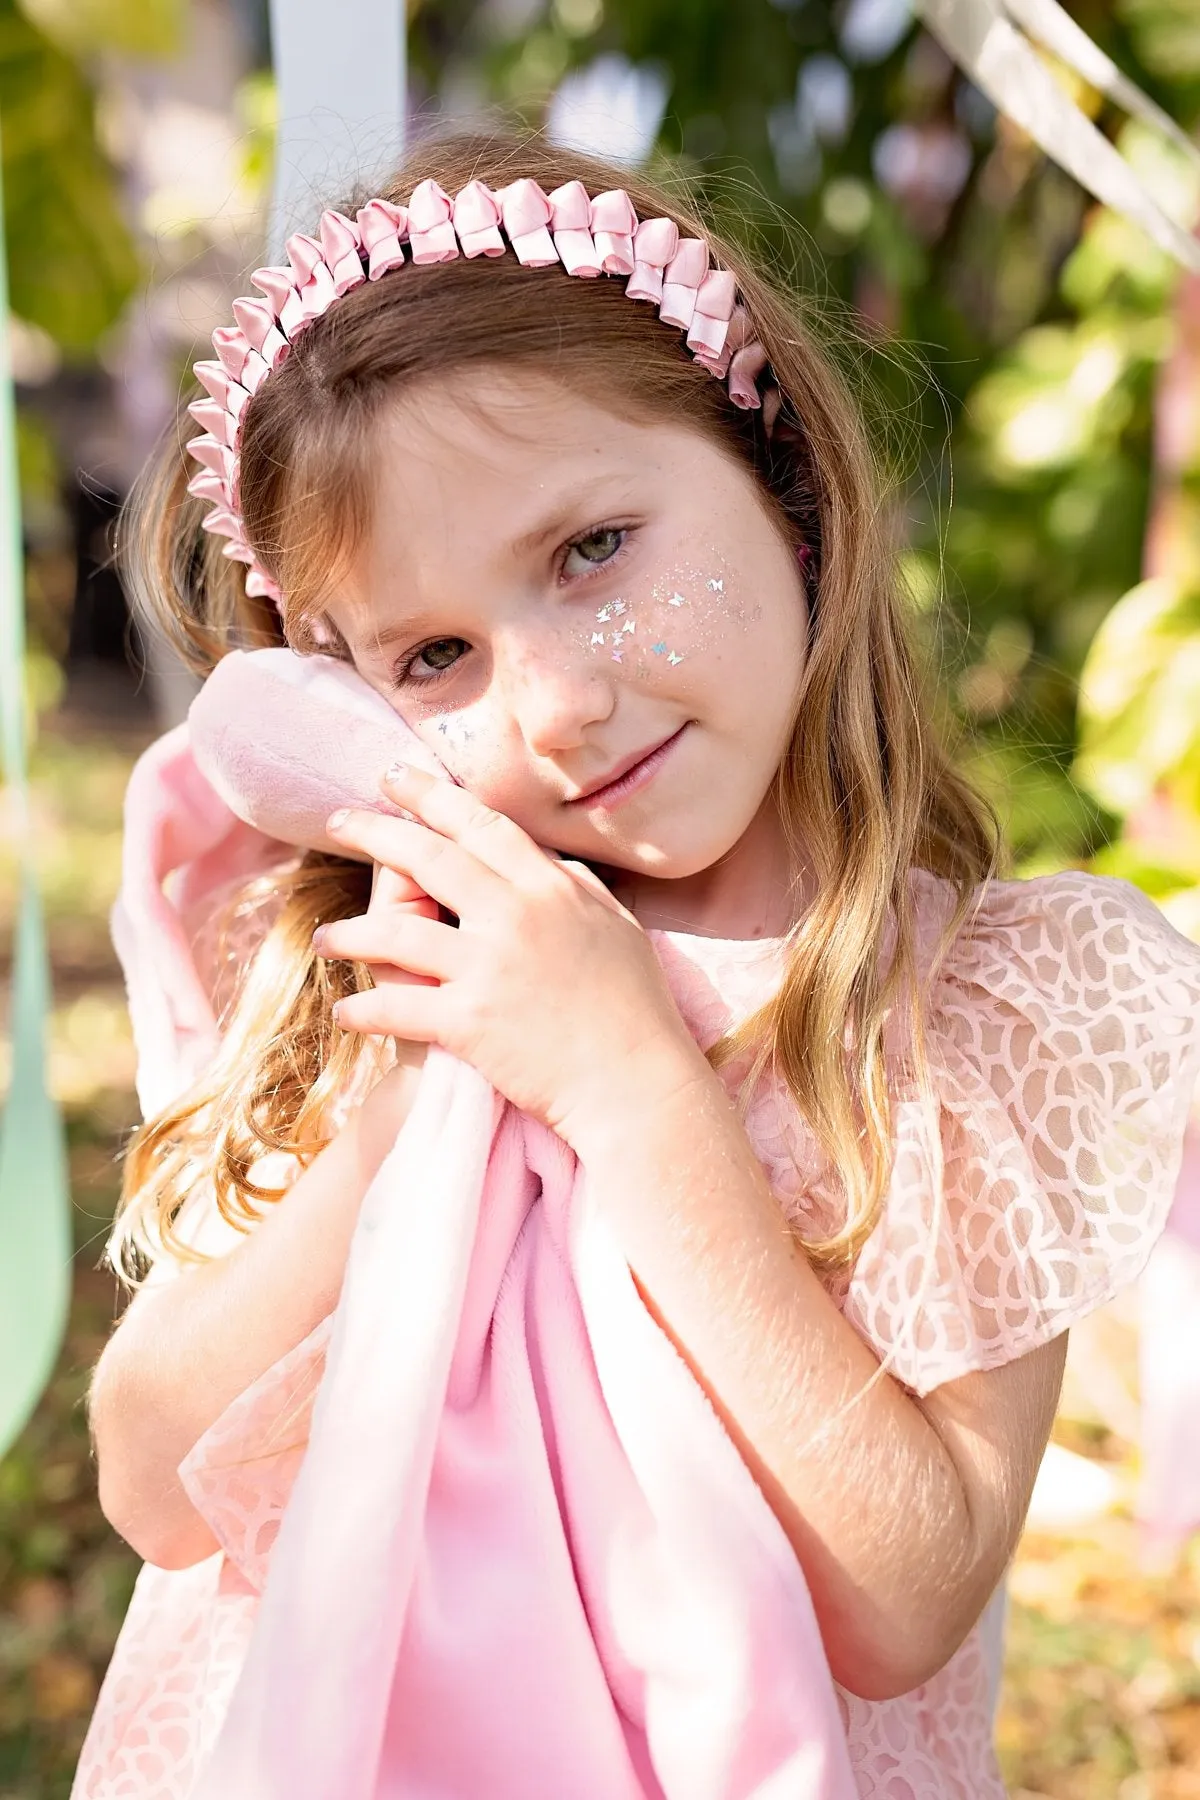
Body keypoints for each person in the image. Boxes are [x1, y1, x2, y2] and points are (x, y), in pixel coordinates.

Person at [75, 131, 1200, 1799]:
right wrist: (409, 1109)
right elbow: (154, 1479)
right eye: (435, 655)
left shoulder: (975, 1008)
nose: (554, 710)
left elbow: (904, 1597)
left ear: (789, 491)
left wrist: (634, 1093)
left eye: (593, 552)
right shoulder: (368, 974)